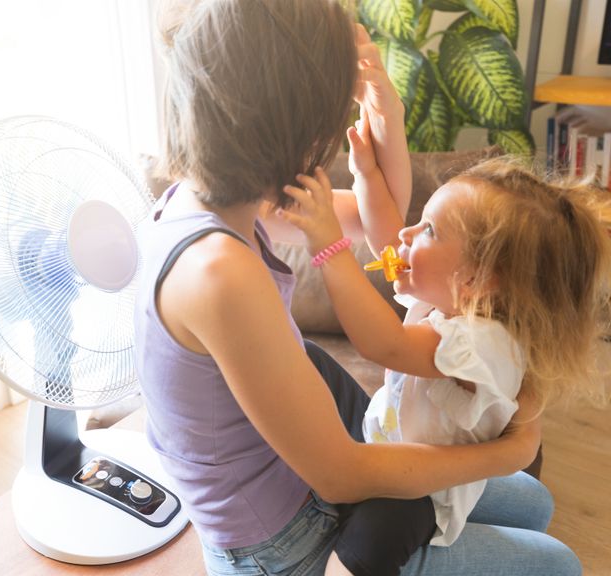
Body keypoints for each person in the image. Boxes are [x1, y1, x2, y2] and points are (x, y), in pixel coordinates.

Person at [133, 1, 581, 574]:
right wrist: (508, 452)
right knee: (559, 564)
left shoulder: (209, 200)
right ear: (294, 123)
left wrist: (385, 116)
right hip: (283, 542)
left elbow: (383, 225)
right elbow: (340, 474)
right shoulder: (220, 271)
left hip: (307, 475)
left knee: (533, 502)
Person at [279, 107, 611, 574]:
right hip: (378, 436)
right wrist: (366, 174)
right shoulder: (450, 300)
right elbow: (388, 233)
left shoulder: (483, 343)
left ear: (479, 280)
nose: (408, 235)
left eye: (430, 230)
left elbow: (385, 345)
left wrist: (329, 247)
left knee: (362, 552)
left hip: (420, 488)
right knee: (305, 356)